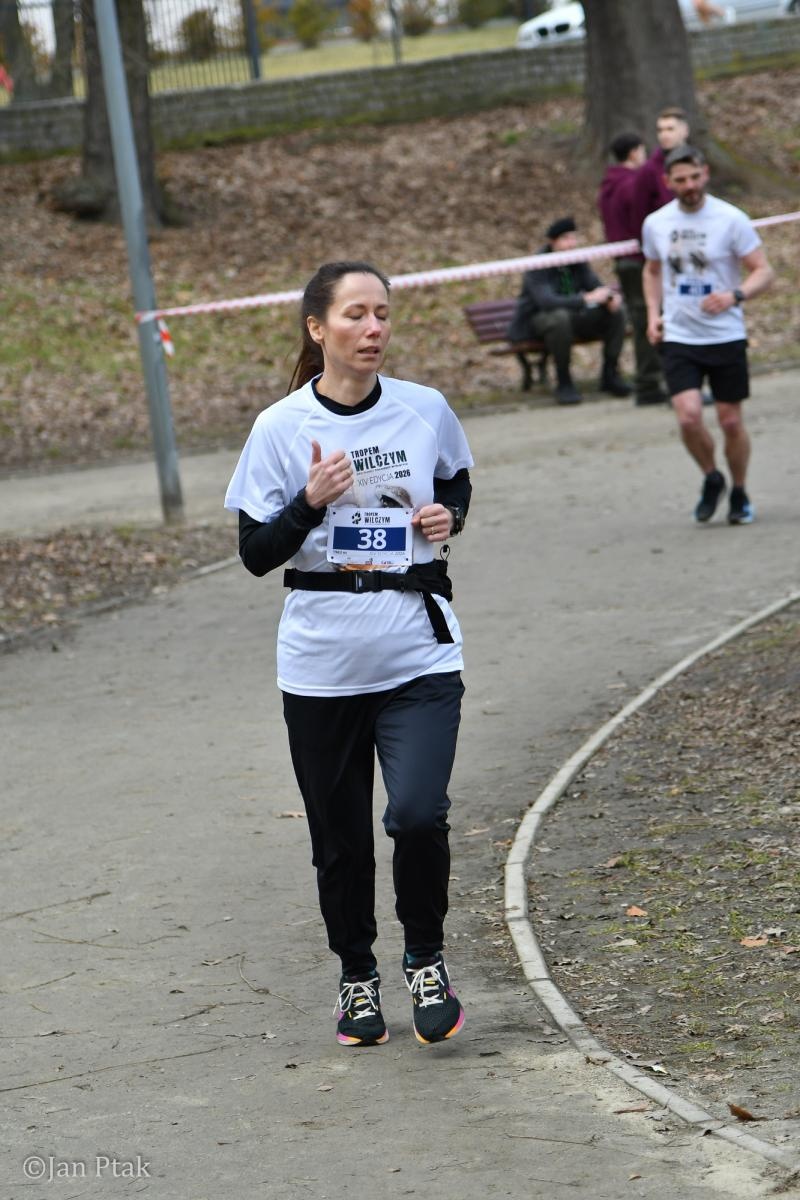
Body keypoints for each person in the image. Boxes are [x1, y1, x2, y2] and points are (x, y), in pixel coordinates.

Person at [224, 261, 473, 1048]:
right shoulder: (279, 428)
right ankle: (357, 976)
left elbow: (456, 482)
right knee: (340, 842)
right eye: (356, 315)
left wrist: (447, 517)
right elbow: (256, 553)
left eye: (383, 315)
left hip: (417, 655)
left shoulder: (424, 408)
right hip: (321, 666)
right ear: (317, 327)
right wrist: (309, 503)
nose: (373, 329)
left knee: (417, 814)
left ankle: (425, 960)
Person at [642, 145, 775, 524]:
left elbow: (763, 270)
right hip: (680, 335)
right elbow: (652, 270)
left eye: (695, 177)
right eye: (681, 180)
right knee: (688, 417)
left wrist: (735, 295)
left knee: (730, 421)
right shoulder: (656, 223)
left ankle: (740, 491)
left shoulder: (731, 219)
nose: (690, 185)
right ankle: (711, 477)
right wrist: (653, 315)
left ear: (706, 174)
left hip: (725, 335)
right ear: (668, 182)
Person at [507, 216, 631, 406]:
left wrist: (609, 297)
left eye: (573, 238)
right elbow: (546, 301)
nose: (571, 243)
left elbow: (595, 285)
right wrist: (585, 299)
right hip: (539, 322)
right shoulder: (537, 264)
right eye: (565, 238)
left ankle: (611, 374)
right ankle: (564, 381)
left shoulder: (577, 260)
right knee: (559, 318)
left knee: (616, 312)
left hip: (574, 317)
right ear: (553, 241)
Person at [598, 131, 669, 406]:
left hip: (624, 260)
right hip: (638, 260)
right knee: (649, 320)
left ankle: (650, 379)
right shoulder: (631, 184)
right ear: (634, 152)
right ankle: (650, 381)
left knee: (642, 320)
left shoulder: (608, 185)